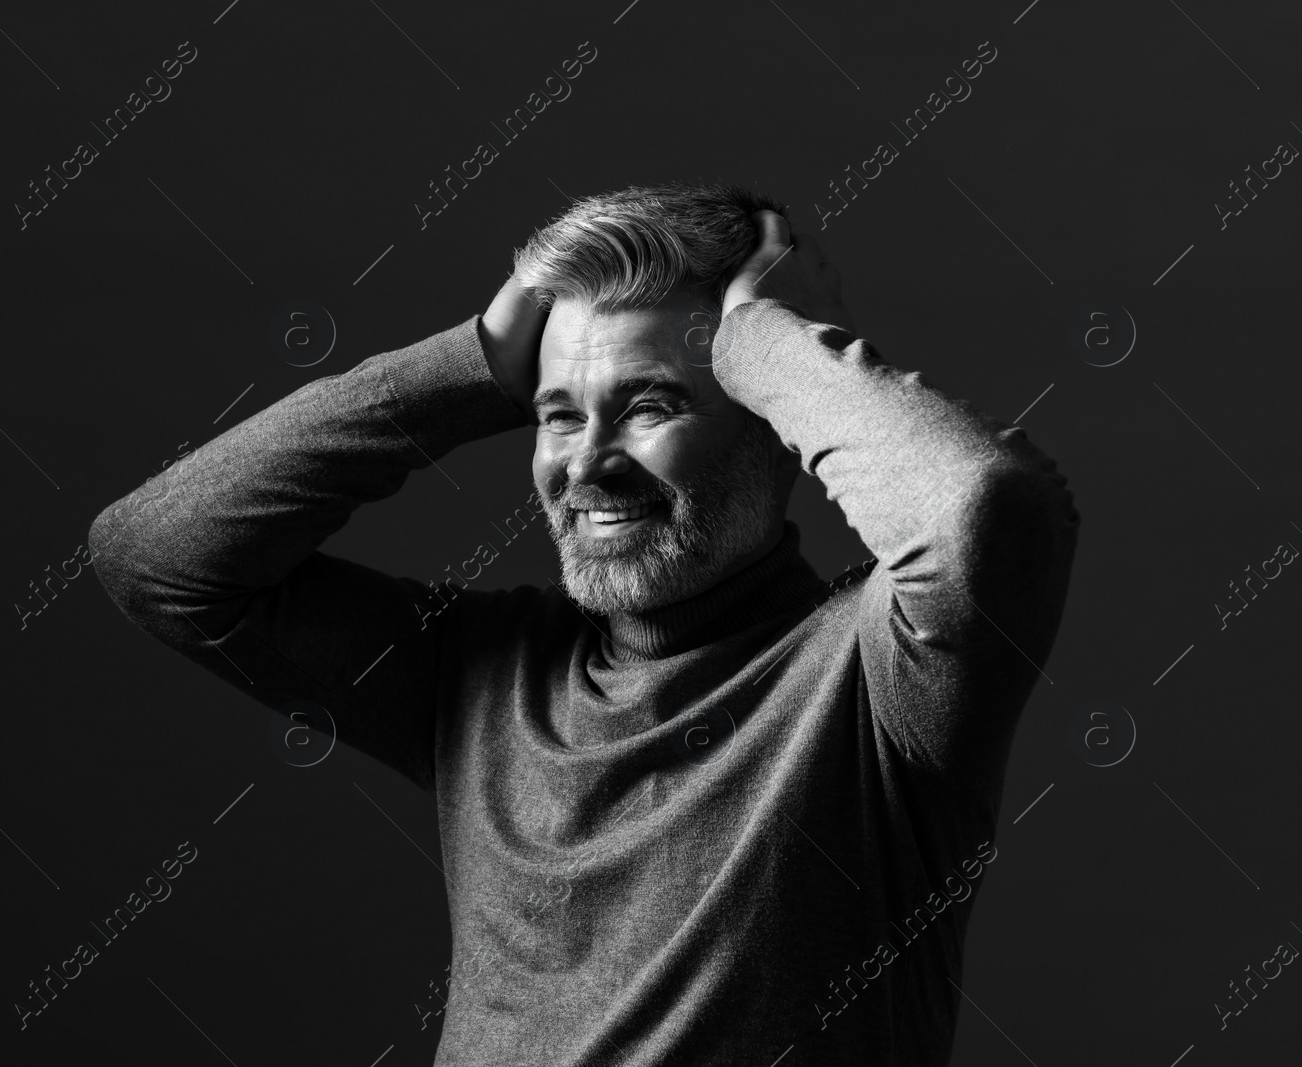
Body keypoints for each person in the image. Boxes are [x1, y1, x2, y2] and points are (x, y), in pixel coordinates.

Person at [88, 182, 1079, 1065]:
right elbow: (157, 555)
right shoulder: (475, 673)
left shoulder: (880, 682)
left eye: (649, 403)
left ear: (779, 428)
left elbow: (979, 506)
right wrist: (475, 361)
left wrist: (763, 340)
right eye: (558, 413)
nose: (586, 462)